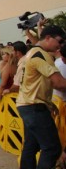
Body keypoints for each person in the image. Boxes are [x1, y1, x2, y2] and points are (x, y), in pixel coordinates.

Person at [16, 25, 66, 168]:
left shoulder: (32, 52)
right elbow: (58, 83)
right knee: (52, 148)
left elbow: (40, 83)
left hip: (27, 105)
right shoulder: (40, 55)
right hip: (34, 107)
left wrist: (49, 104)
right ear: (49, 38)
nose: (60, 46)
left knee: (31, 147)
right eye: (60, 41)